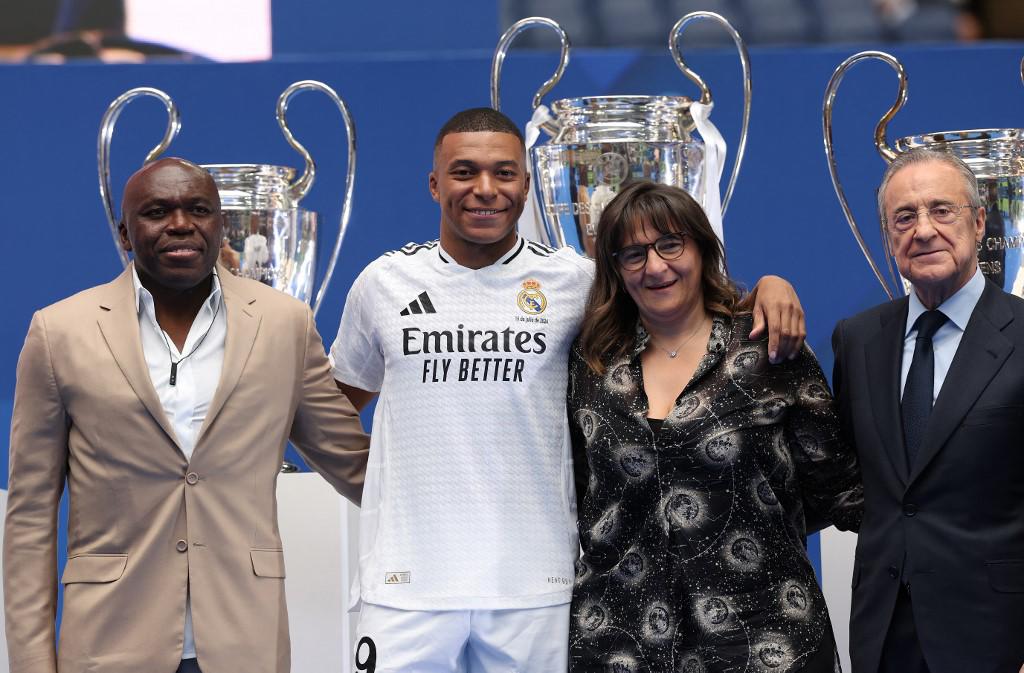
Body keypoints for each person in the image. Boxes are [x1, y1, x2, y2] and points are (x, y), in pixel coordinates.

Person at [329, 107, 808, 672]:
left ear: (527, 187)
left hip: (538, 587)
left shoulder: (575, 281)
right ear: (435, 183)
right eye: (463, 172)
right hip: (406, 587)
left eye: (504, 173)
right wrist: (385, 486)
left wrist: (768, 288)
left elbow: (680, 309)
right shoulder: (383, 283)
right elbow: (334, 404)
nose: (485, 189)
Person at [4, 157, 370, 673]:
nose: (180, 224)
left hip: (246, 643)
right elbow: (30, 517)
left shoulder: (284, 322)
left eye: (198, 209)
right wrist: (31, 664)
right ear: (125, 233)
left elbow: (356, 465)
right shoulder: (59, 331)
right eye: (157, 211)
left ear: (221, 226)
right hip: (109, 643)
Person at [566, 180, 863, 673]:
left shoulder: (769, 350)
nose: (656, 266)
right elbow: (579, 494)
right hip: (619, 643)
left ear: (703, 250)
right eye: (633, 254)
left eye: (670, 244)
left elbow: (837, 489)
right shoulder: (591, 366)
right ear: (615, 270)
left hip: (765, 638)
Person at [832, 148, 1024, 673]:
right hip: (882, 636)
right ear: (888, 235)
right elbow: (847, 477)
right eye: (904, 217)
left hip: (997, 639)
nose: (923, 230)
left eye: (943, 210)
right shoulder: (858, 338)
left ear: (980, 221)